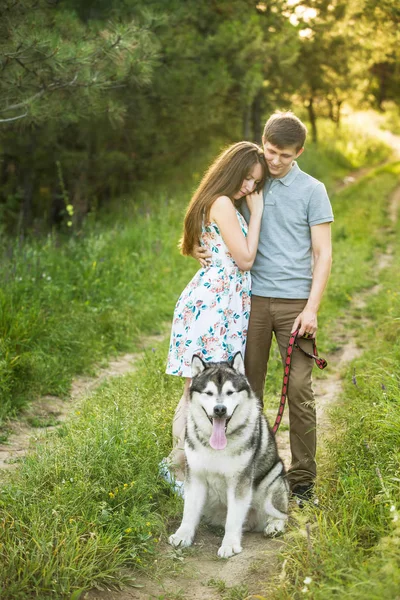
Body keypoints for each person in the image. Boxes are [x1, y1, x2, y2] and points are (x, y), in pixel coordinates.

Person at [197, 111, 334, 504]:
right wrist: (195, 246)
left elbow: (323, 255)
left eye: (284, 156)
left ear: (299, 152)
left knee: (300, 390)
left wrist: (312, 308)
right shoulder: (248, 183)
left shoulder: (313, 190)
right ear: (263, 141)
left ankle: (303, 480)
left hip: (295, 305)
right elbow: (208, 210)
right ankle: (246, 473)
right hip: (250, 301)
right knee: (245, 389)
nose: (274, 162)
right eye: (271, 151)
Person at [163, 141, 267, 487]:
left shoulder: (221, 202)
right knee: (200, 390)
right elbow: (246, 259)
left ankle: (191, 469)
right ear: (232, 170)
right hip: (212, 310)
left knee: (205, 389)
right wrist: (259, 214)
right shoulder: (222, 203)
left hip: (222, 308)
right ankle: (180, 470)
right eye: (248, 179)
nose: (250, 188)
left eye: (255, 183)